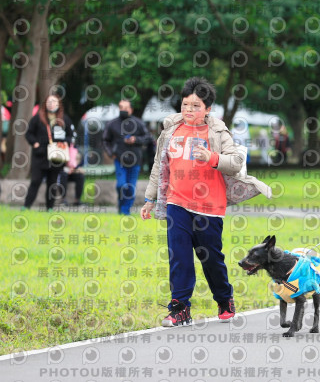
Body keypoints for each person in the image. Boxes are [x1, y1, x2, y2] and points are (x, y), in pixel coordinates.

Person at [141, 77, 270, 327]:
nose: (189, 110)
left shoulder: (218, 131)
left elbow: (236, 162)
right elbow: (159, 165)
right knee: (179, 257)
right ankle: (180, 309)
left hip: (209, 207)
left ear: (208, 109)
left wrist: (211, 157)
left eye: (196, 106)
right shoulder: (170, 130)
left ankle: (224, 298)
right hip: (176, 202)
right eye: (185, 104)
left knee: (210, 259)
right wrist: (149, 199)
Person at [23, 93, 74, 211]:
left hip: (56, 156)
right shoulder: (38, 118)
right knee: (35, 181)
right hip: (40, 155)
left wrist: (64, 142)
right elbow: (29, 133)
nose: (51, 104)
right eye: (49, 102)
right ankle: (26, 206)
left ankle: (50, 207)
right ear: (45, 104)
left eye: (54, 102)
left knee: (52, 182)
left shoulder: (64, 119)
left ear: (59, 104)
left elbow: (71, 136)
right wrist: (35, 143)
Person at [103, 100, 151, 215]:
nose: (123, 110)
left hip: (135, 161)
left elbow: (148, 137)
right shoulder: (112, 124)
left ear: (131, 109)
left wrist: (136, 139)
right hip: (119, 160)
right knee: (121, 185)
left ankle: (125, 211)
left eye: (126, 108)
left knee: (130, 187)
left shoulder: (138, 123)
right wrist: (111, 152)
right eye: (121, 107)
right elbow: (105, 140)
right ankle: (121, 205)